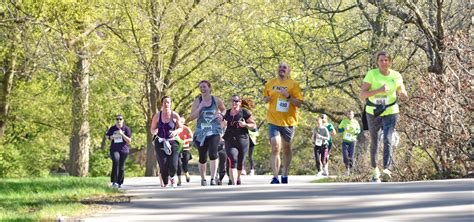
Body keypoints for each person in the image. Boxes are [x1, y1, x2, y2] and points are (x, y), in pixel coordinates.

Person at [360, 51, 408, 182]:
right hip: (373, 111)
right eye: (381, 60)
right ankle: (375, 169)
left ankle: (387, 169)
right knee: (375, 141)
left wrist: (403, 93)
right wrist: (379, 90)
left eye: (386, 60)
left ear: (390, 62)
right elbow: (362, 95)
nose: (383, 62)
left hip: (390, 110)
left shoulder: (396, 75)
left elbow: (401, 88)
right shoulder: (372, 74)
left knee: (387, 138)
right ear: (377, 62)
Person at [263, 62, 304, 184]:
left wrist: (288, 97)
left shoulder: (293, 84)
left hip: (288, 121)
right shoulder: (270, 83)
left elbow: (299, 103)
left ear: (288, 70)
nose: (281, 69)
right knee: (275, 148)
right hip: (273, 120)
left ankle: (284, 173)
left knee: (286, 148)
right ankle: (275, 177)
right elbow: (265, 97)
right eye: (280, 67)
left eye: (284, 67)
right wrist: (266, 99)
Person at [187, 80, 226, 186]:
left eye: (204, 87)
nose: (202, 89)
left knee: (213, 153)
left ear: (209, 88)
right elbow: (191, 117)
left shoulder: (216, 100)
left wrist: (221, 115)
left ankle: (213, 178)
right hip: (201, 131)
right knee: (202, 156)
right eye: (201, 87)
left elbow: (224, 110)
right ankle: (203, 179)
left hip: (214, 130)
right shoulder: (197, 101)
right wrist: (200, 107)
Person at [222, 95, 256, 185]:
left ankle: (237, 178)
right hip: (229, 139)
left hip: (242, 139)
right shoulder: (227, 113)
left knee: (240, 162)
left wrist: (245, 125)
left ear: (240, 102)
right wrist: (222, 122)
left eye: (236, 101)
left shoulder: (244, 112)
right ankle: (233, 183)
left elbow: (253, 124)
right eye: (233, 101)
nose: (234, 103)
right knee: (233, 159)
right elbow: (221, 124)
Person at [150, 96, 183, 188]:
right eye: (164, 102)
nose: (166, 104)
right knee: (163, 164)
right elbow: (152, 129)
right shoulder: (157, 116)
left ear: (171, 103)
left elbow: (180, 128)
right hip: (160, 141)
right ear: (162, 103)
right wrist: (154, 131)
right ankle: (165, 180)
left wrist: (176, 131)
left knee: (173, 165)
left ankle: (172, 176)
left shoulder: (175, 115)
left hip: (173, 142)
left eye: (168, 102)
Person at [105, 114, 132, 188]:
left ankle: (120, 183)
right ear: (116, 120)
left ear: (123, 120)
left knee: (121, 166)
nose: (119, 121)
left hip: (124, 150)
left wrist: (122, 134)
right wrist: (111, 137)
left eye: (120, 119)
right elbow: (107, 136)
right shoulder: (112, 128)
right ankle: (114, 182)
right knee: (116, 161)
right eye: (117, 119)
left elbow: (129, 140)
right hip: (114, 149)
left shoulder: (126, 129)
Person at [338, 110, 360, 176]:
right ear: (347, 115)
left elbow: (359, 130)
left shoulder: (356, 122)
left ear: (353, 115)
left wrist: (354, 132)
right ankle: (346, 168)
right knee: (345, 156)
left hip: (353, 141)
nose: (350, 115)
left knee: (351, 156)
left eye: (351, 114)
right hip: (345, 141)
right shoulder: (344, 121)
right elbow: (339, 130)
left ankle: (350, 169)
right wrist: (344, 129)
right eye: (348, 114)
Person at [177, 117, 193, 186]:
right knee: (178, 165)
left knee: (184, 164)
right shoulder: (175, 129)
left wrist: (186, 141)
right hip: (177, 149)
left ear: (183, 122)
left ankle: (186, 174)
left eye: (181, 122)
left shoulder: (186, 129)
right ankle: (179, 180)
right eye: (179, 121)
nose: (180, 123)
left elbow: (192, 138)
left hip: (185, 149)